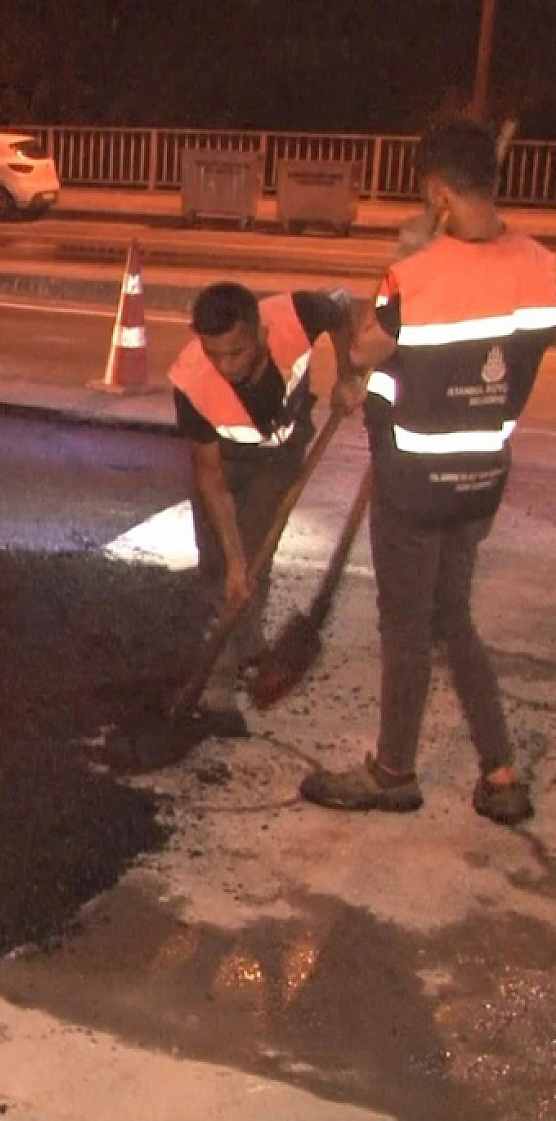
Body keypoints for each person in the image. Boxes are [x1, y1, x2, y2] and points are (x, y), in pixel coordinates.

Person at [300, 119, 556, 825]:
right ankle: (500, 771)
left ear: (437, 191)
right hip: (480, 484)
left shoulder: (414, 278)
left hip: (412, 485)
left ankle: (392, 770)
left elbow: (364, 355)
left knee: (407, 625)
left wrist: (377, 307)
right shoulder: (543, 266)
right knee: (455, 617)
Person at [169, 282, 352, 737]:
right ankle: (227, 667)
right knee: (222, 572)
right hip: (225, 465)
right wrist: (232, 559)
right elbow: (210, 478)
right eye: (214, 354)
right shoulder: (192, 380)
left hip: (279, 458)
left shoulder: (296, 316)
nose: (224, 367)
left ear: (260, 333)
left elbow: (344, 312)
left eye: (235, 353)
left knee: (256, 561)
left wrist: (349, 373)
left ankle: (232, 671)